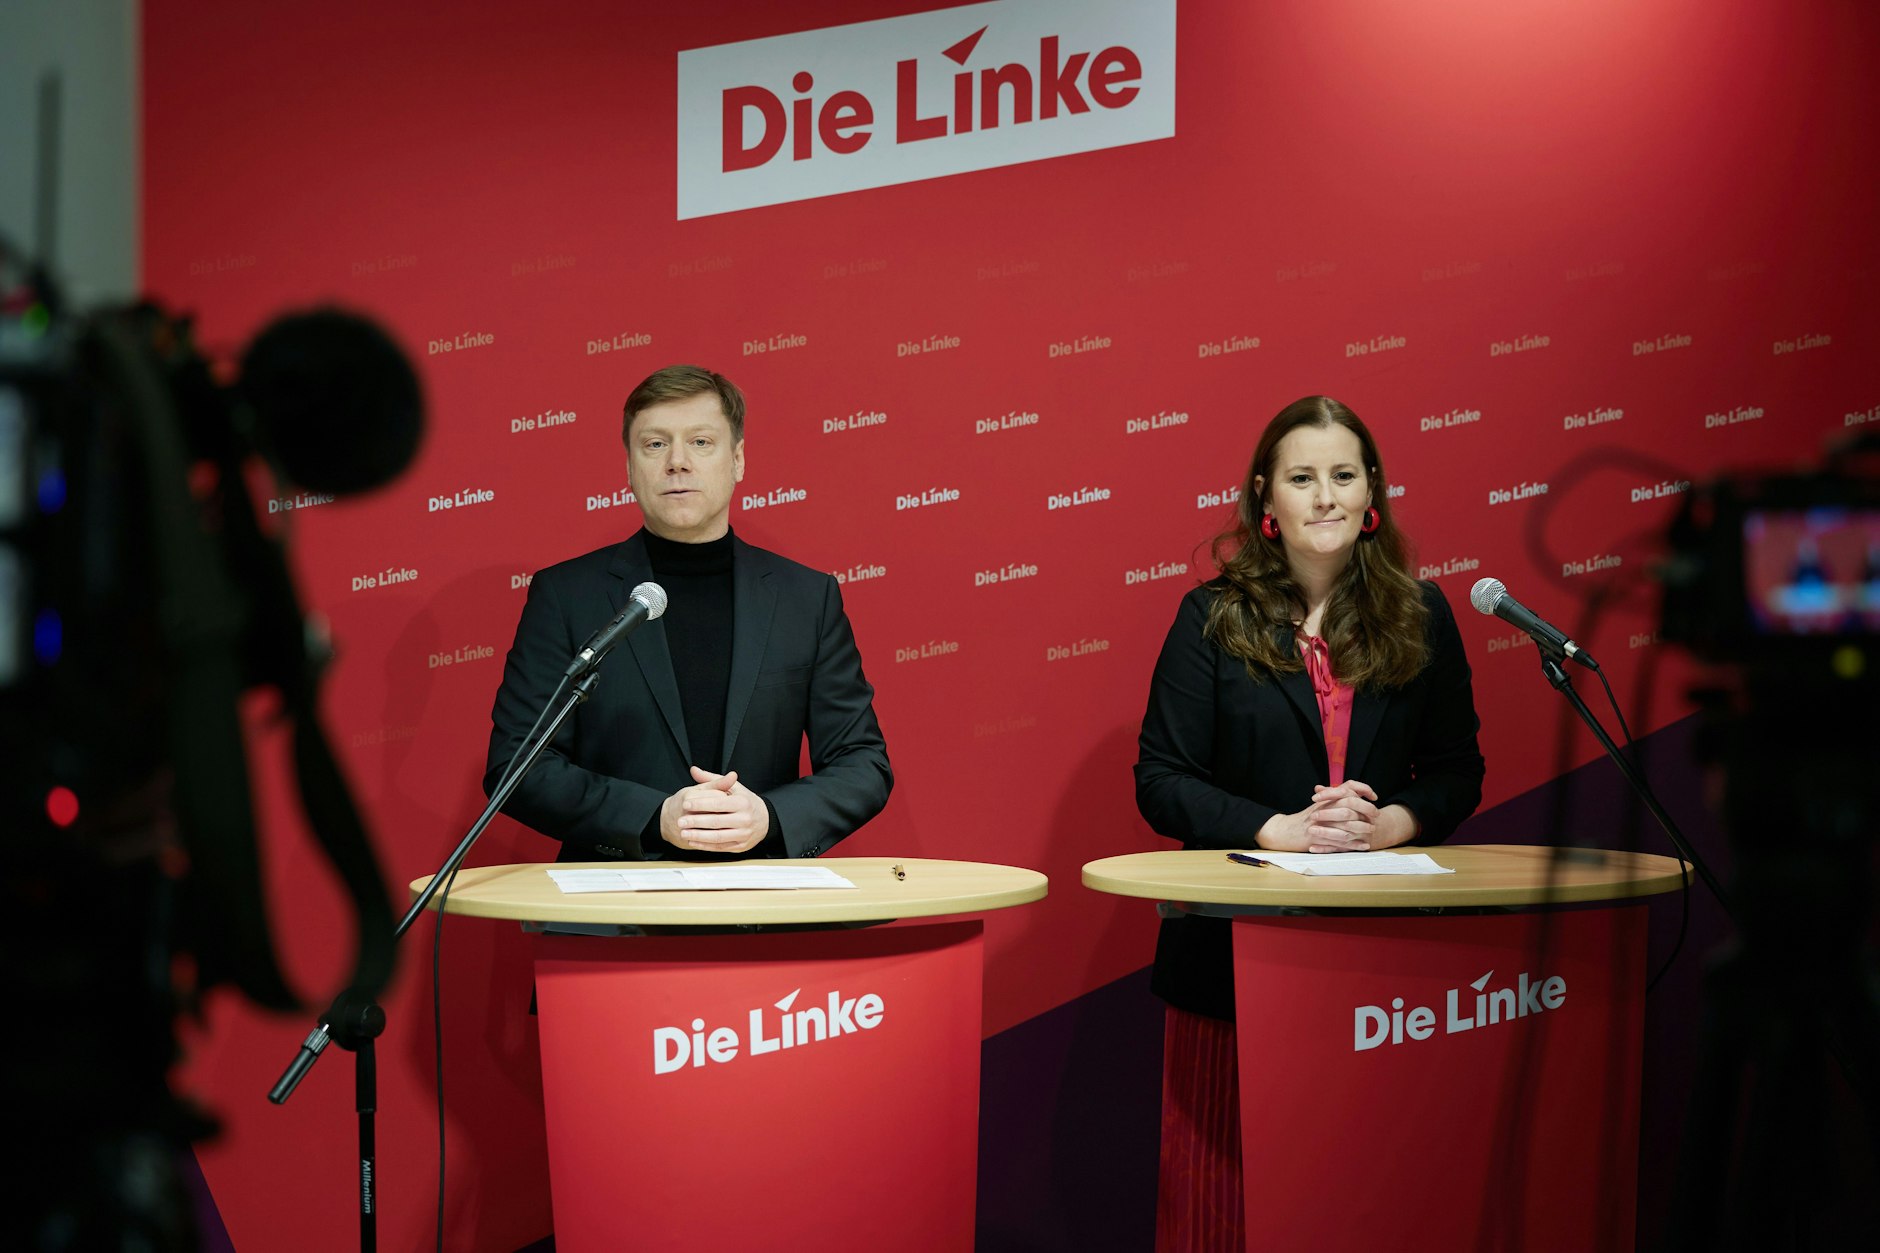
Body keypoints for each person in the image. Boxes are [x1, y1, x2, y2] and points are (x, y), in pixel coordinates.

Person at [1133, 395, 1485, 1250]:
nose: (1323, 495)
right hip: (1231, 955)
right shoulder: (1210, 618)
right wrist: (1273, 830)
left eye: (1342, 475)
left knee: (1357, 1189)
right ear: (1267, 499)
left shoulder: (1423, 613)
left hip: (1383, 961)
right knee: (1225, 1198)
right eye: (1302, 477)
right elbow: (1161, 780)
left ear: (1372, 498)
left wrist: (1391, 823)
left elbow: (1456, 771)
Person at [485, 365, 892, 860]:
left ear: (738, 459)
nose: (677, 462)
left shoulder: (806, 597)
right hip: (612, 908)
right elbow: (519, 765)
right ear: (629, 467)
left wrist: (769, 816)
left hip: (763, 905)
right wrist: (654, 818)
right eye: (655, 445)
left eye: (701, 442)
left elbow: (862, 762)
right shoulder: (566, 595)